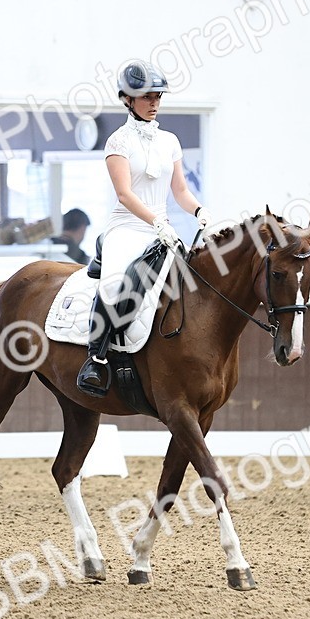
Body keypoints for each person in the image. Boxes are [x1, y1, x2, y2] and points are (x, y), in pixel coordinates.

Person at [76, 61, 212, 398]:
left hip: (162, 227)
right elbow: (125, 194)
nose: (153, 103)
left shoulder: (169, 141)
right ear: (126, 99)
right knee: (116, 282)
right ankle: (96, 357)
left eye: (157, 97)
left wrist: (198, 210)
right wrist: (155, 221)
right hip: (128, 226)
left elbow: (179, 190)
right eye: (146, 97)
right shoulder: (117, 142)